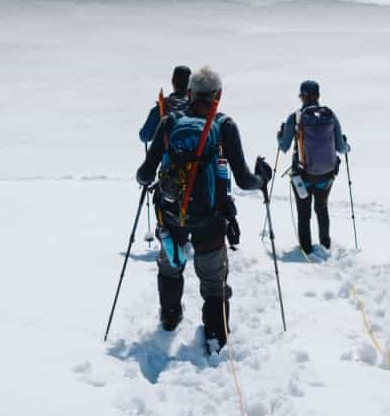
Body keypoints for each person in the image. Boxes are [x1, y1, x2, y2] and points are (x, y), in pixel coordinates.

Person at [137, 65, 272, 350]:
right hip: (211, 218)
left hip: (172, 215)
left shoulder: (170, 122)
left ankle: (170, 318)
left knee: (170, 267)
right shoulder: (224, 126)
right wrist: (263, 177)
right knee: (213, 279)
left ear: (189, 93)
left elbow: (144, 174)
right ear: (218, 96)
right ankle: (215, 335)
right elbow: (245, 179)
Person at [277, 79, 349, 255]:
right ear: (318, 96)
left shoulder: (295, 118)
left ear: (302, 97)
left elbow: (284, 147)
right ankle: (325, 246)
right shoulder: (330, 115)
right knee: (322, 209)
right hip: (326, 176)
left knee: (304, 213)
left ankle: (306, 250)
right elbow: (341, 148)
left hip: (302, 176)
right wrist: (347, 146)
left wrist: (280, 135)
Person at [139, 65, 192, 145]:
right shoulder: (196, 107)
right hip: (193, 155)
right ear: (190, 84)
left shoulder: (161, 107)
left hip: (166, 155)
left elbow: (145, 136)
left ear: (172, 82)